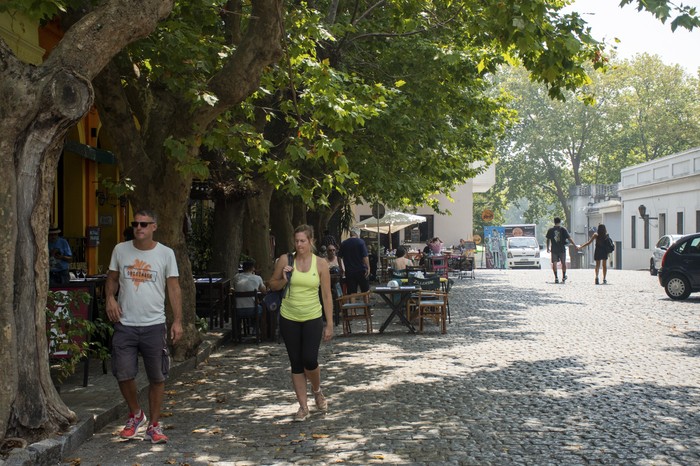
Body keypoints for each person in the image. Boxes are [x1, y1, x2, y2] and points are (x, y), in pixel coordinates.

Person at [105, 209, 183, 444]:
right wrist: (110, 298)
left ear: (153, 227)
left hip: (154, 324)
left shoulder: (166, 254)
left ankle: (154, 425)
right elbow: (112, 278)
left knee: (157, 377)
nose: (138, 227)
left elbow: (174, 288)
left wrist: (178, 320)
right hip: (125, 323)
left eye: (144, 224)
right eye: (135, 224)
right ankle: (136, 413)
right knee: (122, 372)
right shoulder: (120, 249)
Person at [268, 225, 334, 422]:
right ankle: (303, 407)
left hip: (312, 317)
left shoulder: (321, 264)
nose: (299, 245)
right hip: (289, 317)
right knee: (296, 363)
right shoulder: (285, 260)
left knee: (310, 359)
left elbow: (327, 295)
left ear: (311, 241)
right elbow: (272, 284)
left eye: (302, 241)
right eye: (296, 241)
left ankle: (317, 390)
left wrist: (329, 323)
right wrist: (284, 279)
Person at [545, 217, 577, 284]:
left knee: (554, 263)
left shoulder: (550, 230)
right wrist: (575, 245)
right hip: (562, 249)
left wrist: (547, 248)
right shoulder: (563, 229)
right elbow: (569, 238)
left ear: (554, 222)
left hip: (554, 249)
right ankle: (563, 276)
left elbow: (548, 239)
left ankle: (556, 277)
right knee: (563, 263)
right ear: (560, 222)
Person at [338, 228, 370, 293]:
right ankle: (366, 303)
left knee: (352, 292)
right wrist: (368, 267)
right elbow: (365, 257)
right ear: (357, 234)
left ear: (350, 234)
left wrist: (341, 268)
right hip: (361, 270)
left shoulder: (344, 243)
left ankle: (352, 303)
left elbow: (339, 257)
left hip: (349, 271)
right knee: (365, 291)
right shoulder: (361, 242)